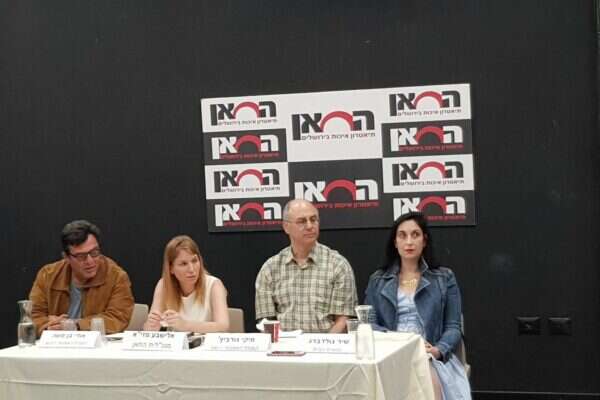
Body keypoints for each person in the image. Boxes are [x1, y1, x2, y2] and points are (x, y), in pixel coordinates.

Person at [364, 212, 471, 400]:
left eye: (415, 235)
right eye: (402, 235)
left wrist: (438, 350)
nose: (409, 242)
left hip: (428, 355)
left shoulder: (444, 278)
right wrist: (397, 341)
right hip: (389, 354)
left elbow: (453, 327)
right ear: (395, 242)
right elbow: (369, 324)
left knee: (426, 378)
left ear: (424, 240)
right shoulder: (378, 280)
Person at [255, 199, 358, 333]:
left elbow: (343, 320)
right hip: (284, 344)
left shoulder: (338, 265)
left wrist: (323, 344)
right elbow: (266, 322)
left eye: (313, 220)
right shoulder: (270, 268)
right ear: (286, 227)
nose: (310, 226)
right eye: (302, 221)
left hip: (326, 343)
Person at [29, 220, 134, 336]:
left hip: (97, 345)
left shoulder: (117, 276)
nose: (90, 261)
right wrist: (49, 326)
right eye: (81, 256)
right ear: (66, 257)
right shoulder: (47, 275)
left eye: (94, 252)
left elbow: (118, 318)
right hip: (56, 343)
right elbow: (32, 316)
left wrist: (74, 325)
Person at [143, 235, 229, 332]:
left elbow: (223, 325)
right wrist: (151, 326)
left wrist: (185, 325)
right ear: (171, 268)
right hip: (176, 342)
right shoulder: (163, 285)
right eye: (183, 264)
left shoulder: (214, 285)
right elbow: (149, 327)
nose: (191, 269)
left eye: (194, 261)